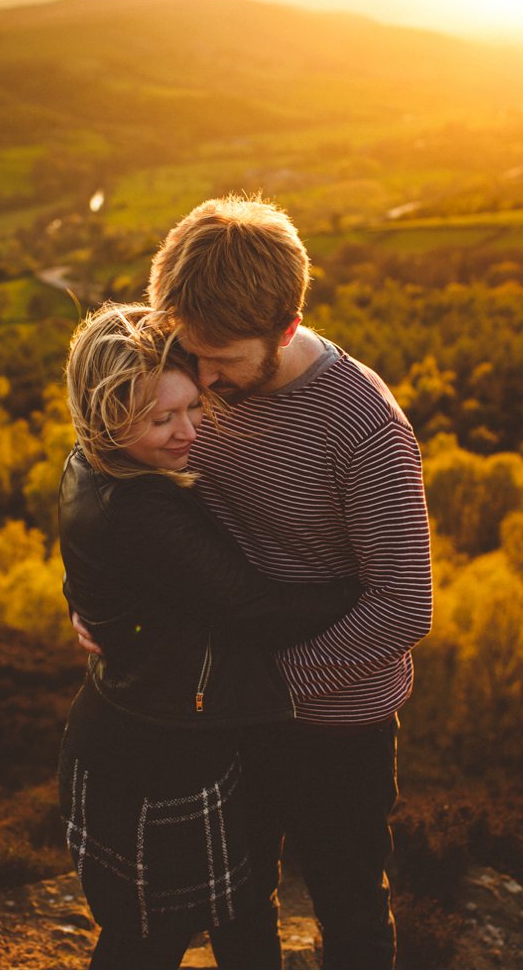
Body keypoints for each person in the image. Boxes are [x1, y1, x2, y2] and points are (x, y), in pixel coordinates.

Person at [78, 195, 433, 967]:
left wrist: (266, 681)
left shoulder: (363, 427)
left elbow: (404, 606)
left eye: (222, 358)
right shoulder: (193, 377)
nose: (199, 380)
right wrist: (99, 601)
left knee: (351, 917)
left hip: (337, 724)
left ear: (285, 328)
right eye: (189, 351)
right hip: (224, 710)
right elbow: (125, 486)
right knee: (228, 907)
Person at [56, 302, 361, 969]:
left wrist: (94, 609)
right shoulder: (142, 511)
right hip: (155, 756)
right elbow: (255, 608)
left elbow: (99, 573)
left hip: (150, 727)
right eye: (161, 419)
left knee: (234, 917)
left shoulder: (92, 465)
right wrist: (358, 588)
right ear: (108, 414)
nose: (187, 431)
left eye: (192, 407)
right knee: (150, 939)